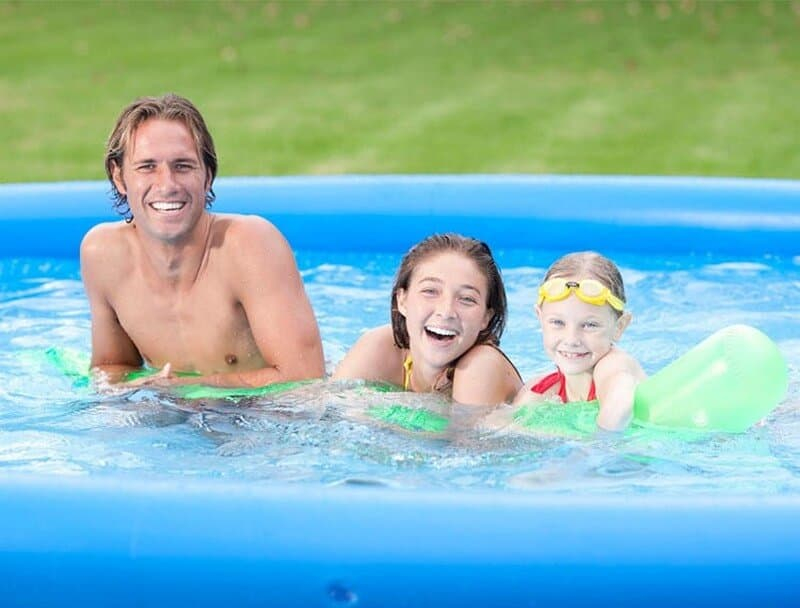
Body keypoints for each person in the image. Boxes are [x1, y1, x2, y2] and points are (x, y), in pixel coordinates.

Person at [80, 94, 324, 387]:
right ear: (119, 177)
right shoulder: (104, 254)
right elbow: (112, 366)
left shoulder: (249, 245)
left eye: (183, 166)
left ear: (208, 176)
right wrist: (126, 391)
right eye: (147, 167)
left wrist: (183, 390)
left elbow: (304, 381)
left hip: (265, 413)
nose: (167, 185)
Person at [332, 233, 522, 406]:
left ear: (486, 318)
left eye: (466, 299)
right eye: (430, 291)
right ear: (402, 300)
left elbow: (464, 435)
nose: (446, 312)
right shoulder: (380, 347)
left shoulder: (480, 367)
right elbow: (326, 414)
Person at [512, 251, 645, 431]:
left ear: (619, 327)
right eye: (558, 322)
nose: (572, 340)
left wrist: (594, 445)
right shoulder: (540, 392)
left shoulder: (612, 365)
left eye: (590, 325)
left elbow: (618, 407)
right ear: (540, 318)